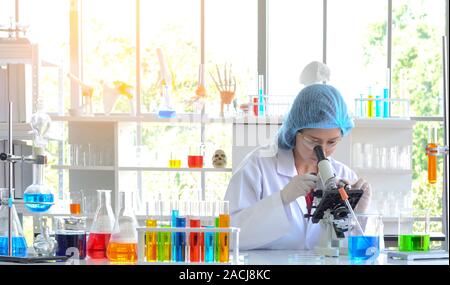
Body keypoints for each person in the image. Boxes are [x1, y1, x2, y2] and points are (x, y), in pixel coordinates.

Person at [224, 84, 372, 250]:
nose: (322, 151)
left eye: (332, 142)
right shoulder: (257, 167)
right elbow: (229, 237)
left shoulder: (343, 174)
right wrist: (282, 199)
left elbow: (359, 250)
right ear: (295, 131)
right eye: (313, 141)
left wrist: (359, 214)